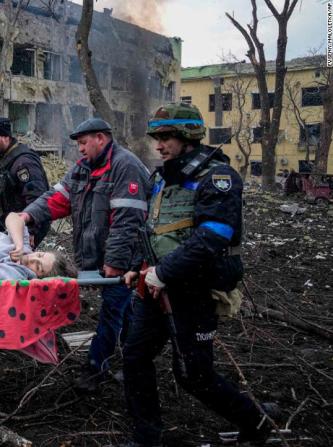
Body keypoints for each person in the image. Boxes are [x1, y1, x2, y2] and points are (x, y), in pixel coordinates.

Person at [119, 102, 280, 446]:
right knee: (134, 358)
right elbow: (151, 229)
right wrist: (137, 266)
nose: (159, 145)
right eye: (157, 138)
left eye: (166, 138)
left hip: (194, 290)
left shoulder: (218, 178)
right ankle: (146, 437)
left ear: (188, 137)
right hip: (156, 288)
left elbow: (214, 236)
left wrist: (163, 272)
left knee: (193, 374)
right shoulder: (162, 179)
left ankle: (257, 421)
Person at [17, 118, 150, 391]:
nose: (79, 149)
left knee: (111, 311)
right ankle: (137, 357)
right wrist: (28, 215)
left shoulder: (126, 167)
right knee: (122, 311)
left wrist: (115, 262)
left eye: (83, 143)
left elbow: (128, 221)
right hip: (98, 257)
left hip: (125, 259)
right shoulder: (82, 169)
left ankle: (94, 368)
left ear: (101, 138)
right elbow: (56, 199)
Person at [0, 116, 51, 249]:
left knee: (18, 263)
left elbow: (37, 197)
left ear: (6, 137)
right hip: (13, 225)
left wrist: (31, 230)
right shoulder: (6, 158)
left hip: (25, 226)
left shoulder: (23, 162)